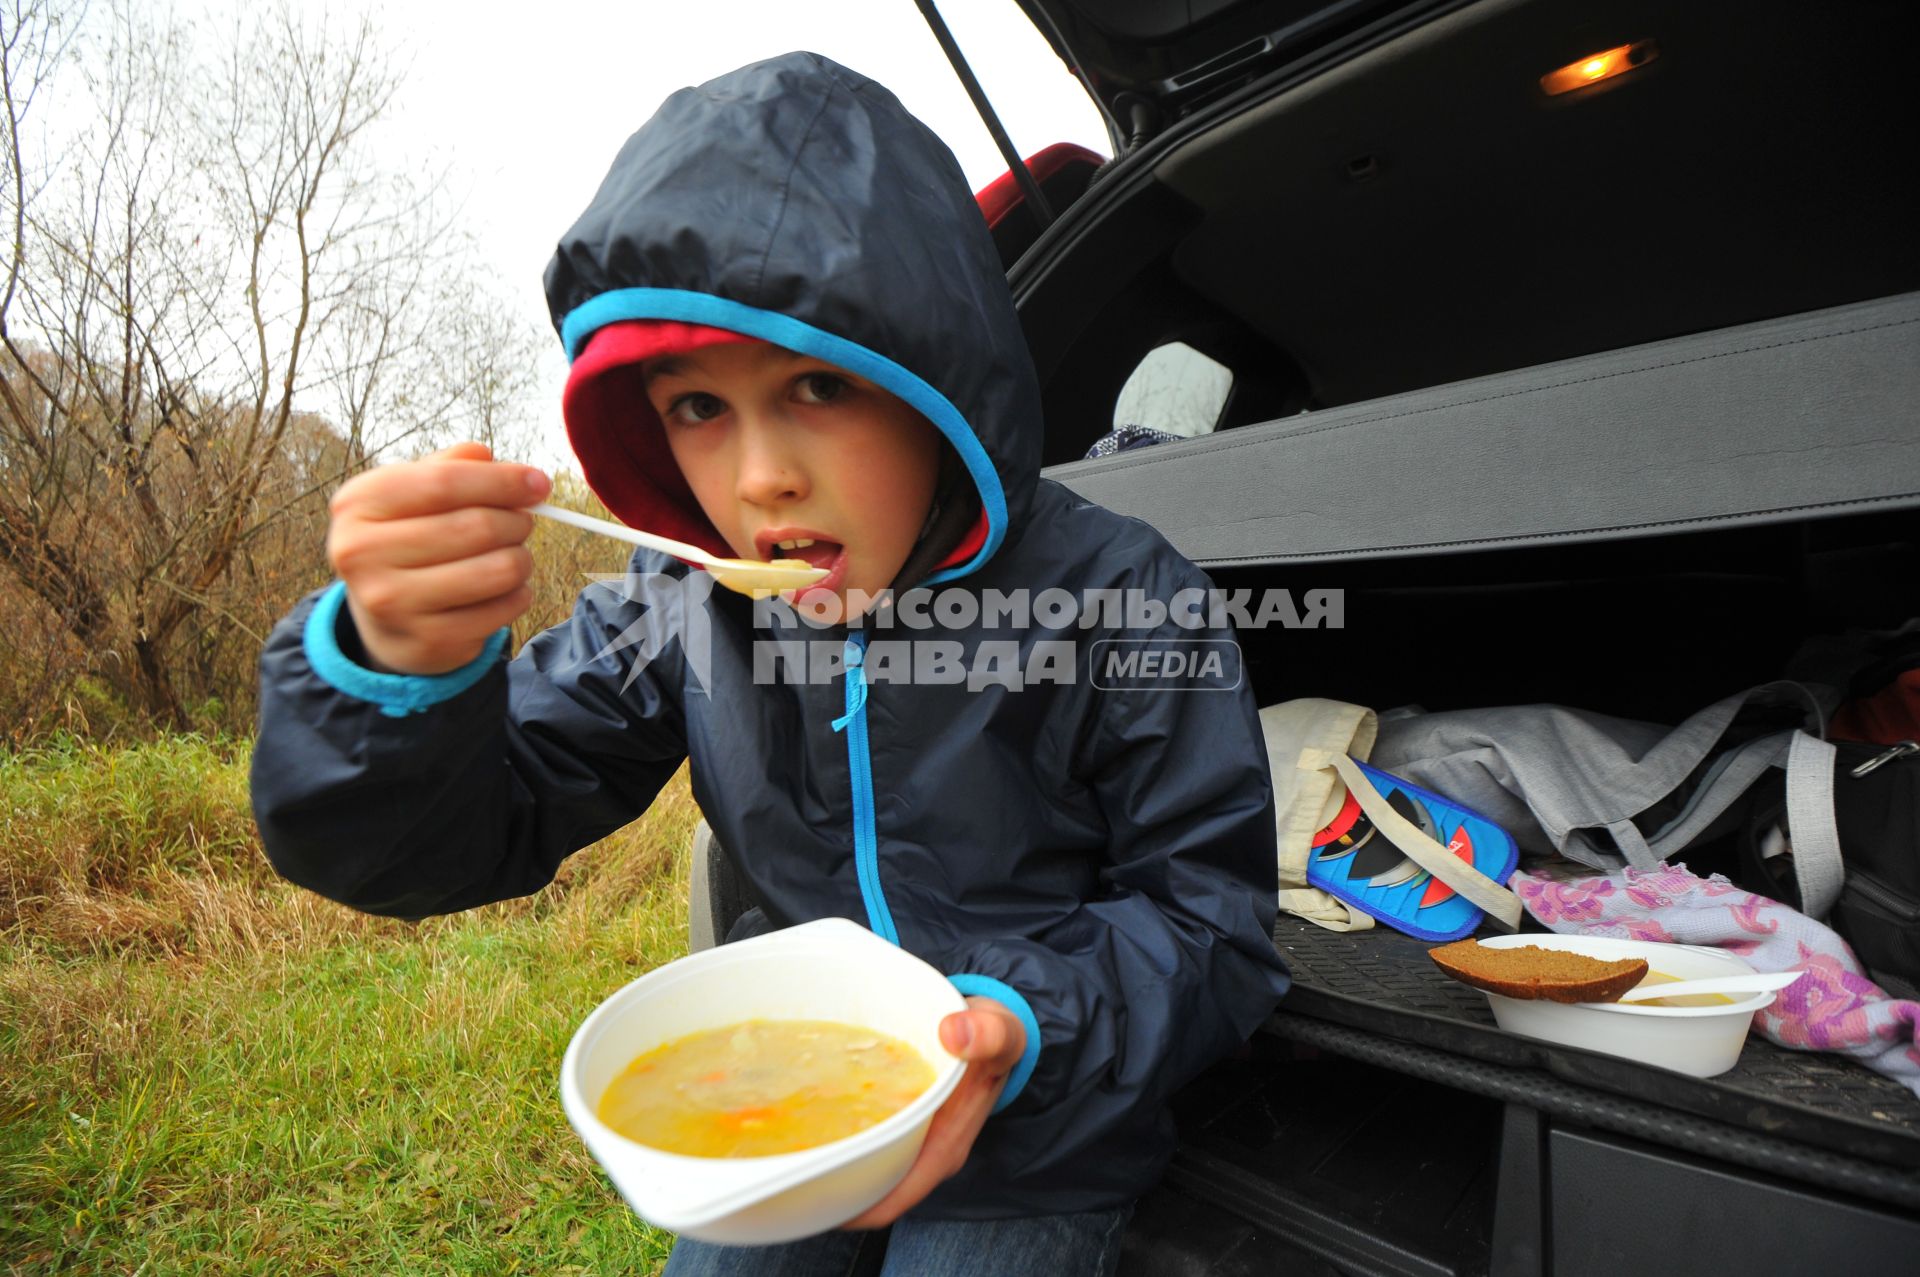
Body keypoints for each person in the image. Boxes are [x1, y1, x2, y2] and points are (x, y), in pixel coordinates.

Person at [252, 52, 1289, 1276]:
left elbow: (1214, 924)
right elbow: (442, 834)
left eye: (818, 384)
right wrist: (393, 675)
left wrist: (1025, 1025)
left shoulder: (1124, 594)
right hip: (796, 1104)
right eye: (697, 407)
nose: (758, 479)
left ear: (941, 387)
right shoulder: (685, 606)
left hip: (1049, 1118)